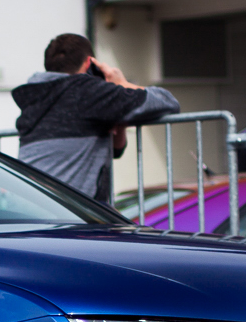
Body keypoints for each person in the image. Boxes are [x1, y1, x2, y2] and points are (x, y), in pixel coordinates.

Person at [12, 33, 179, 201]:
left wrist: (118, 120)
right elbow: (166, 101)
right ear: (90, 63)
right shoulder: (87, 92)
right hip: (71, 212)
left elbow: (114, 149)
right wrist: (122, 83)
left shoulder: (36, 95)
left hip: (29, 205)